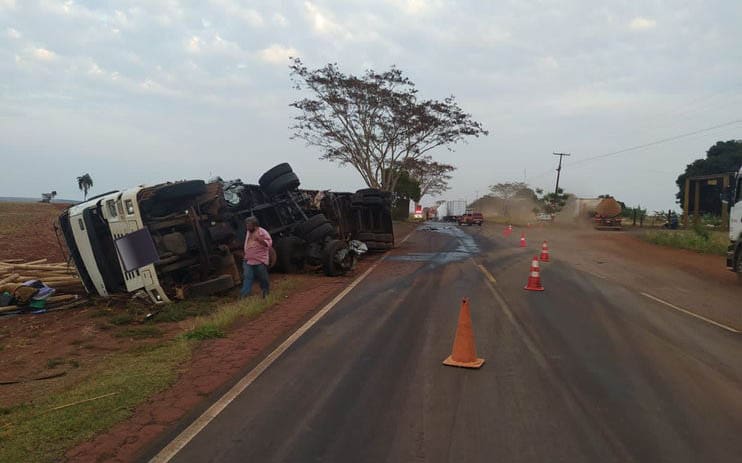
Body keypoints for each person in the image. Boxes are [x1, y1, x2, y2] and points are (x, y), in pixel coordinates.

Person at [241, 216, 272, 298]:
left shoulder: (262, 232)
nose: (247, 226)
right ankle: (244, 295)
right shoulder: (248, 232)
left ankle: (266, 293)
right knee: (247, 277)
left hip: (260, 260)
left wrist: (259, 240)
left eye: (249, 225)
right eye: (246, 224)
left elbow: (269, 243)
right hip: (248, 260)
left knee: (263, 278)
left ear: (255, 225)